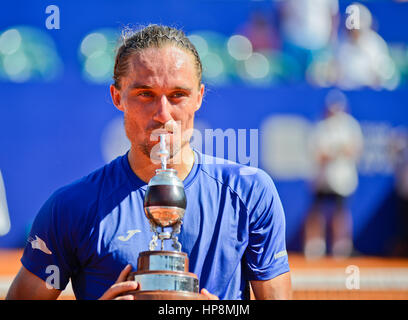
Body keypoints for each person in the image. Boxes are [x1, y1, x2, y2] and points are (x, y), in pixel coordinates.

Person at [6, 24, 292, 300]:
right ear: (117, 97)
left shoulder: (250, 193)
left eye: (178, 95)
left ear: (199, 98)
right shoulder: (70, 207)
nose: (163, 115)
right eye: (146, 94)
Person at [303, 89, 363, 259]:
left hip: (342, 181)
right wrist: (337, 151)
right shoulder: (320, 128)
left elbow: (354, 149)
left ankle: (341, 246)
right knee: (316, 213)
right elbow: (318, 154)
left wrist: (333, 151)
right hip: (322, 179)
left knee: (340, 212)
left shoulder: (350, 126)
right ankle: (314, 246)